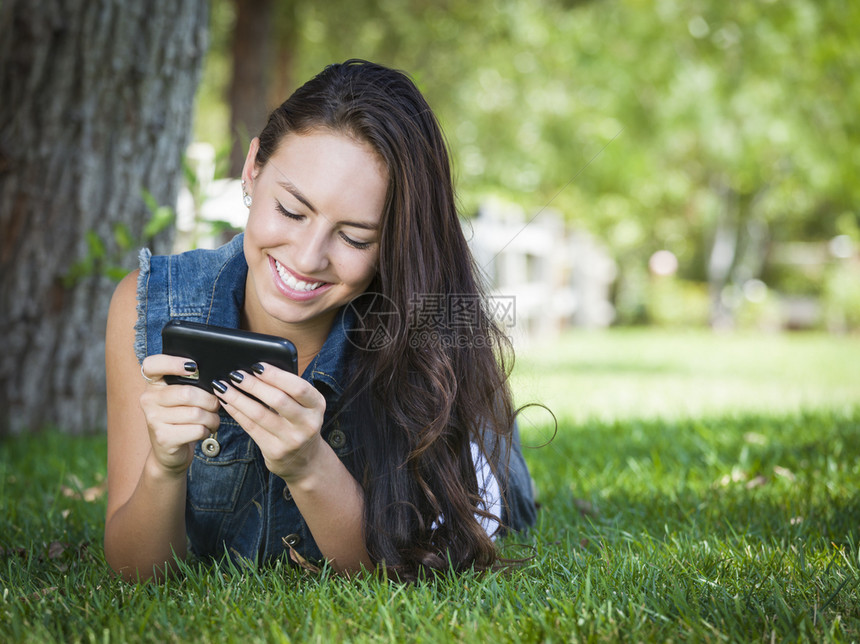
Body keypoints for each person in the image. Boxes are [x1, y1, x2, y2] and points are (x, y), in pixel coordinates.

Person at [104, 59, 536, 582]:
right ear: (253, 168)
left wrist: (309, 465)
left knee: (495, 494)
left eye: (355, 238)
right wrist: (163, 467)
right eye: (291, 210)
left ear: (391, 244)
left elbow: (399, 573)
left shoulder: (424, 333)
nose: (308, 258)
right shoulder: (150, 305)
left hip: (477, 468)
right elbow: (133, 573)